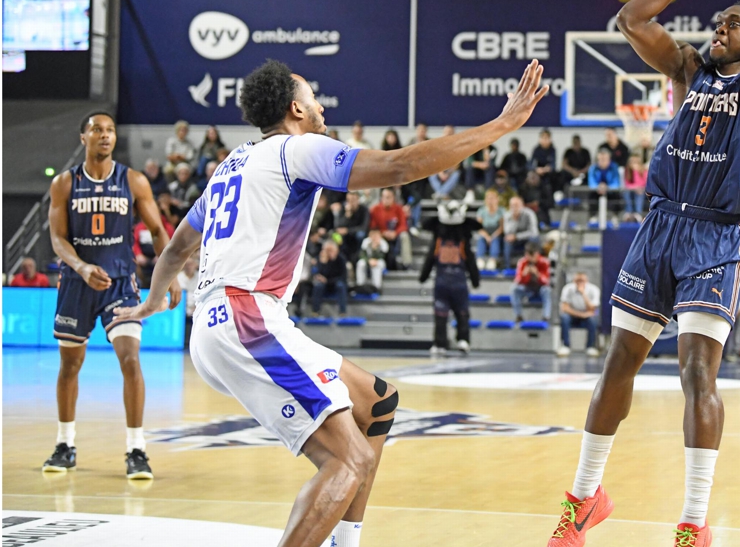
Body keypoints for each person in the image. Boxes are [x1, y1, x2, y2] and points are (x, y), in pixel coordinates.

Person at [112, 57, 546, 547]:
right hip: (246, 318)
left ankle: (346, 542)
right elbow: (399, 166)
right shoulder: (298, 149)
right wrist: (502, 125)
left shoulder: (228, 166)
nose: (321, 105)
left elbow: (175, 248)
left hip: (226, 323)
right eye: (314, 96)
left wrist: (153, 301)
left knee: (378, 403)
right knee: (347, 459)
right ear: (297, 108)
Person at [547, 0, 740, 547]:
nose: (720, 27)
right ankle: (583, 499)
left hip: (715, 237)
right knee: (618, 362)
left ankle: (692, 523)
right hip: (658, 229)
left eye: (729, 24)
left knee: (696, 375)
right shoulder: (688, 73)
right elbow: (631, 20)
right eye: (716, 23)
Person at [42, 112, 179, 480]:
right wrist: (83, 267)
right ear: (83, 137)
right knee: (70, 366)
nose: (105, 136)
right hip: (76, 284)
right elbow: (58, 238)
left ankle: (137, 449)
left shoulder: (132, 181)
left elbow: (157, 229)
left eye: (110, 130)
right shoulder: (64, 184)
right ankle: (65, 444)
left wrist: (171, 275)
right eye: (97, 130)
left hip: (120, 284)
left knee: (130, 361)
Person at [419, 200, 481, 356]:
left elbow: (470, 261)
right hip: (443, 282)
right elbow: (430, 259)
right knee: (441, 314)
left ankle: (463, 340)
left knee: (462, 313)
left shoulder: (461, 244)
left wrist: (475, 278)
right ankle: (440, 343)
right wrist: (423, 275)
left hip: (457, 283)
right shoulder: (439, 242)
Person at [557, 272, 601, 358]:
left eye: (582, 280)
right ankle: (566, 346)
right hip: (573, 315)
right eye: (577, 280)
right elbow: (564, 308)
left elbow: (592, 309)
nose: (580, 283)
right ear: (574, 281)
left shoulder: (594, 289)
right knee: (564, 318)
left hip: (587, 316)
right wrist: (580, 314)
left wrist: (583, 293)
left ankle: (590, 347)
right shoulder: (567, 289)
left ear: (586, 281)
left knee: (593, 319)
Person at [369, 188, 412, 270]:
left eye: (389, 197)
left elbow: (404, 225)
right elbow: (373, 227)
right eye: (385, 197)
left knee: (404, 236)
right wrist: (383, 233)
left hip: (395, 235)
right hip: (381, 235)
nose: (387, 199)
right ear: (381, 197)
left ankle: (407, 263)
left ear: (393, 198)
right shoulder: (375, 209)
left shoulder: (398, 209)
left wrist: (395, 233)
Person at [511, 242, 552, 323]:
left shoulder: (544, 262)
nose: (531, 259)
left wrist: (537, 274)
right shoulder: (522, 262)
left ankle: (546, 317)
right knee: (514, 289)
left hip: (540, 288)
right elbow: (517, 281)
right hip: (527, 288)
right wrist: (524, 274)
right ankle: (518, 316)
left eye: (533, 256)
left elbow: (547, 281)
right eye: (529, 256)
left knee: (547, 290)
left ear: (537, 254)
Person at [310, 241, 349, 315]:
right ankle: (315, 311)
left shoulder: (341, 259)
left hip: (335, 283)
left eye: (330, 250)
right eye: (326, 250)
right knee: (318, 286)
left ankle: (342, 311)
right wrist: (323, 263)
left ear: (336, 250)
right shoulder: (320, 258)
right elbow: (315, 274)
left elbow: (343, 277)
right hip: (323, 284)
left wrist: (328, 281)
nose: (328, 253)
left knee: (340, 285)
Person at [502, 195, 540, 267]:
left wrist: (517, 236)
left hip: (527, 239)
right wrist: (515, 220)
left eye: (516, 205)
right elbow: (507, 232)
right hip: (515, 241)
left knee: (534, 239)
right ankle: (507, 267)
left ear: (522, 205)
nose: (514, 207)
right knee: (507, 240)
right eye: (512, 205)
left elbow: (534, 232)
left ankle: (533, 265)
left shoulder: (529, 214)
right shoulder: (507, 215)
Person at [622, 155, 648, 221]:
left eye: (637, 162)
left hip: (642, 191)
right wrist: (635, 187)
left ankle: (638, 212)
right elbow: (627, 184)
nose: (635, 164)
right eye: (633, 162)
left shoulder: (644, 171)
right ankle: (629, 211)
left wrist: (637, 172)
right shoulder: (627, 171)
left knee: (640, 193)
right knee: (626, 192)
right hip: (631, 190)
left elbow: (644, 183)